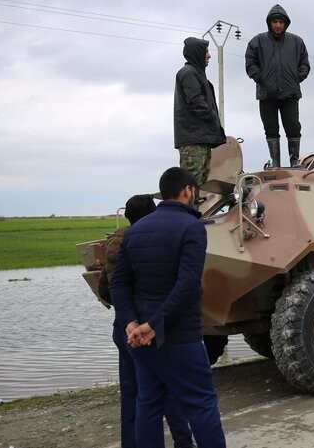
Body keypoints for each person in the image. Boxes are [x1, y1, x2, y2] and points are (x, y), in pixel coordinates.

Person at [110, 167, 226, 448]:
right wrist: (153, 326)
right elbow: (187, 286)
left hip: (140, 340)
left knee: (148, 403)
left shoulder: (135, 231)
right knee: (201, 403)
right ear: (187, 190)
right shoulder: (192, 227)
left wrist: (131, 323)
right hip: (178, 336)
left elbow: (118, 284)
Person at [99, 195, 193, 448]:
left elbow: (106, 290)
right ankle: (183, 442)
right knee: (167, 391)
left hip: (124, 329)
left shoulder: (116, 242)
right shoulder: (154, 240)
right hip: (152, 327)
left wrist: (126, 315)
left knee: (131, 394)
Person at [244, 4, 311, 169]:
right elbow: (250, 63)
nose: (278, 25)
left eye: (281, 21)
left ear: (286, 23)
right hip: (267, 95)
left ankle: (295, 161)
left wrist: (296, 78)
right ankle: (275, 163)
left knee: (293, 127)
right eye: (275, 21)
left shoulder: (296, 41)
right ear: (270, 23)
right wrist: (260, 78)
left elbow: (305, 64)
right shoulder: (257, 41)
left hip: (290, 94)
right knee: (271, 129)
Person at [174, 37, 227, 201]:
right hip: (193, 138)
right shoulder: (189, 73)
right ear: (197, 53)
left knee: (198, 180)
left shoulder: (196, 74)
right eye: (206, 52)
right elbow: (196, 103)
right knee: (190, 181)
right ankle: (188, 216)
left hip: (201, 137)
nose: (209, 56)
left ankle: (193, 215)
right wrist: (212, 117)